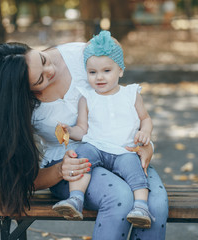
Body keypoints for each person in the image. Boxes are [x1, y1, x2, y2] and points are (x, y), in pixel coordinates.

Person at [0, 36, 168, 240]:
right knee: (118, 196)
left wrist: (147, 145)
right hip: (71, 164)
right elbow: (19, 179)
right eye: (40, 80)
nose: (51, 72)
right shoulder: (17, 108)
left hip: (120, 150)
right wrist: (59, 171)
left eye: (44, 59)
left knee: (156, 204)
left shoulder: (81, 55)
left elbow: (122, 105)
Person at [52, 30, 154, 229]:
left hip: (124, 150)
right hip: (96, 146)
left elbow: (145, 118)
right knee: (80, 156)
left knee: (136, 170)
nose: (99, 77)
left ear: (120, 70)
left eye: (107, 71)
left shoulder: (131, 94)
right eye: (92, 72)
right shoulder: (87, 97)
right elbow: (82, 130)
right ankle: (75, 199)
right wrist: (69, 131)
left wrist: (145, 132)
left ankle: (141, 207)